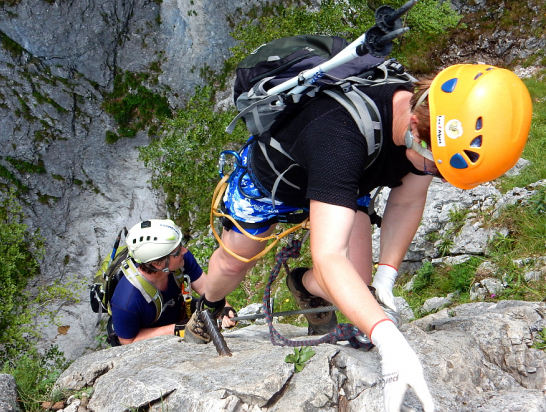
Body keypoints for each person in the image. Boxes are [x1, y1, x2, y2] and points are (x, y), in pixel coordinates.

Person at [184, 63, 532, 412]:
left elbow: (408, 198)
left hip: (349, 179)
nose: (436, 176)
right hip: (276, 180)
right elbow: (330, 256)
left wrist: (387, 275)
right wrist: (389, 341)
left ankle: (302, 284)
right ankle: (208, 306)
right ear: (415, 126)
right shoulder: (339, 134)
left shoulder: (429, 124)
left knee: (359, 285)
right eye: (437, 168)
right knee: (233, 263)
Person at [110, 219, 236, 345]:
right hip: (146, 333)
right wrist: (175, 329)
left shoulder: (181, 261)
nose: (184, 251)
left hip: (175, 311)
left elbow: (204, 285)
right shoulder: (127, 301)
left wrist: (224, 307)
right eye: (177, 252)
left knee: (209, 313)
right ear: (157, 264)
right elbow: (127, 341)